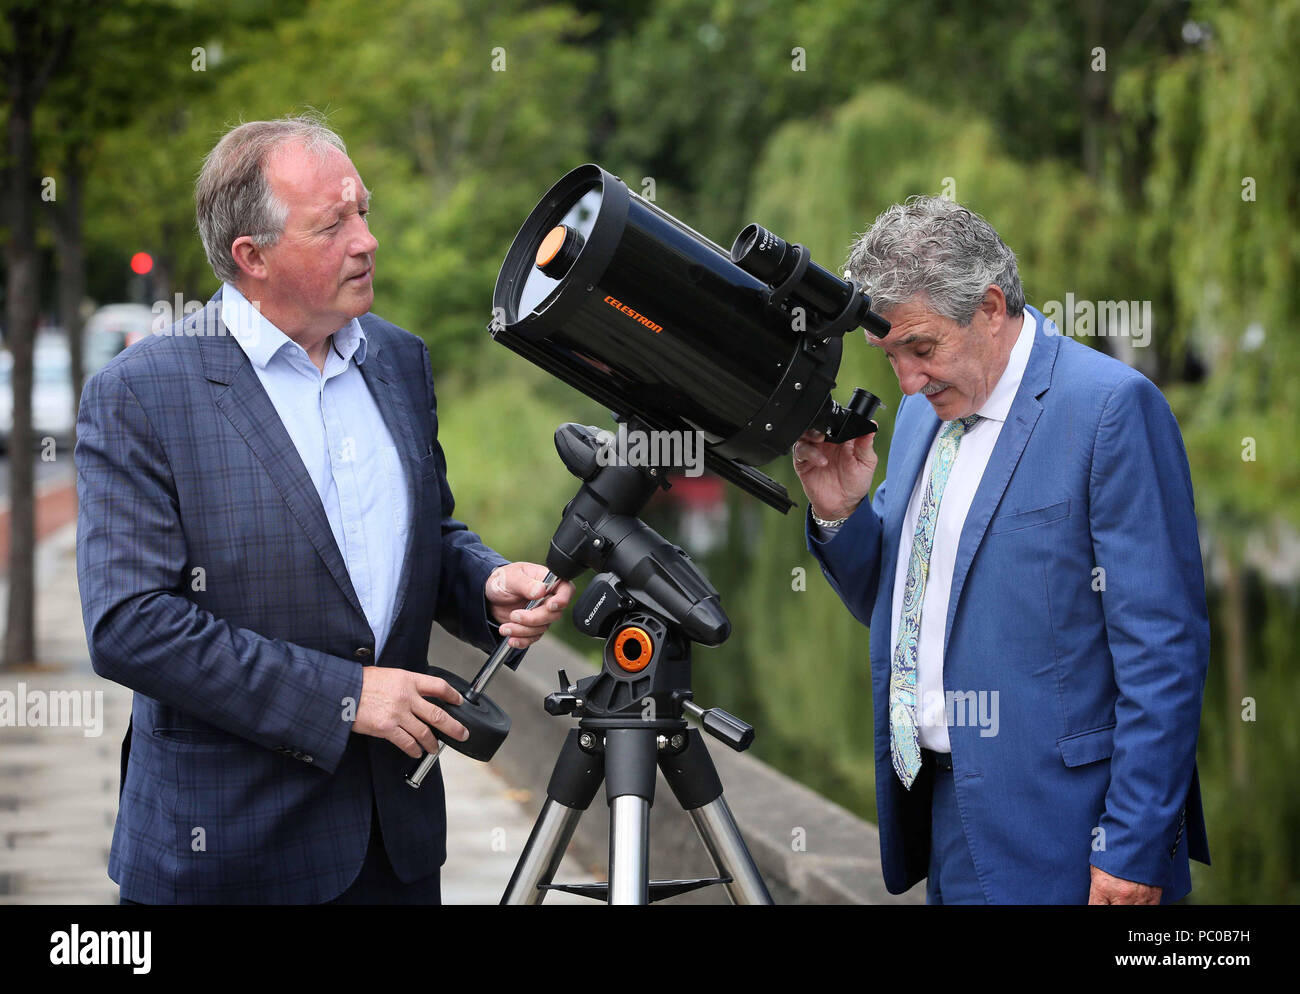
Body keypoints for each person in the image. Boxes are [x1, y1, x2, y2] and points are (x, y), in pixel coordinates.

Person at [75, 116, 574, 904]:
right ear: (253, 256)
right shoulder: (141, 393)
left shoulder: (398, 360)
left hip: (395, 848)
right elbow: (130, 625)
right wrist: (346, 697)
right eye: (333, 224)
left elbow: (427, 537)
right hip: (228, 856)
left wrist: (484, 584)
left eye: (364, 211)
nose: (366, 239)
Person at [794, 196, 1210, 904]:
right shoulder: (928, 419)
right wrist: (842, 516)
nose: (907, 381)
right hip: (943, 819)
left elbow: (1163, 654)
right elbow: (901, 610)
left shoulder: (1111, 409)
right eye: (889, 354)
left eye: (920, 349)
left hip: (1070, 838)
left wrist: (1133, 848)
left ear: (990, 307)